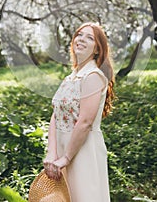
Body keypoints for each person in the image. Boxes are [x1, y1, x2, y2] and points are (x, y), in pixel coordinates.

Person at [43, 22, 115, 202]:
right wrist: (52, 154)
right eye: (79, 35)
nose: (81, 39)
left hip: (82, 151)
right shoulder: (71, 77)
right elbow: (56, 114)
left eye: (89, 38)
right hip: (61, 151)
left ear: (97, 49)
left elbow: (85, 122)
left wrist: (66, 158)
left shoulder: (93, 76)